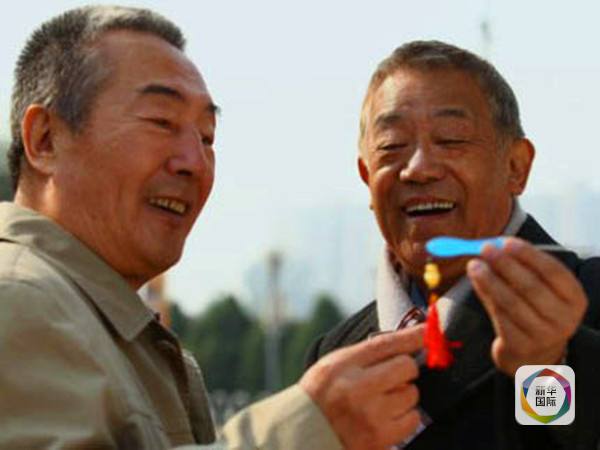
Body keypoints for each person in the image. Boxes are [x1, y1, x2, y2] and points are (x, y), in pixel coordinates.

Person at [0, 6, 423, 449]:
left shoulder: (114, 332)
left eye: (206, 137)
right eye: (161, 121)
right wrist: (304, 430)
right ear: (45, 139)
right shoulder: (17, 298)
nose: (195, 163)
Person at [304, 40, 600, 449]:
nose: (419, 169)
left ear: (516, 166)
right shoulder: (335, 357)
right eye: (391, 146)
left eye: (451, 139)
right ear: (366, 176)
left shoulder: (585, 298)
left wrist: (547, 366)